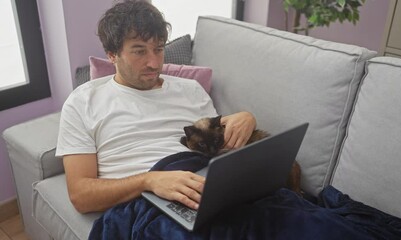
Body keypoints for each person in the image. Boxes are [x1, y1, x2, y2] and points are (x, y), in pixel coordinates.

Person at [56, 0, 256, 214]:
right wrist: (149, 181)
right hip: (147, 202)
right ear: (112, 55)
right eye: (139, 51)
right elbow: (81, 196)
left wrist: (246, 118)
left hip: (206, 186)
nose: (154, 63)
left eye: (158, 49)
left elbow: (216, 148)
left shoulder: (191, 89)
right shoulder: (82, 102)